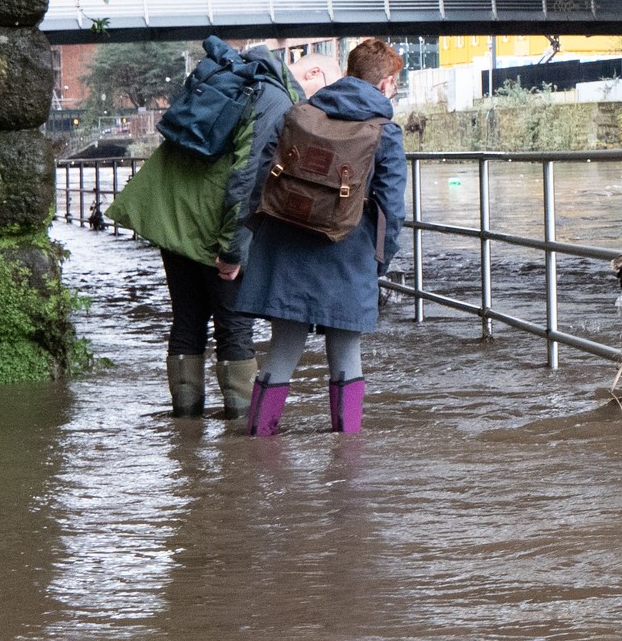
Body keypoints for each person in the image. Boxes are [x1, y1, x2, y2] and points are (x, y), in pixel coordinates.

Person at [108, 41, 306, 418]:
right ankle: (241, 442)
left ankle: (185, 431)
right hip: (210, 219)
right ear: (308, 76)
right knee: (234, 327)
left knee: (187, 317)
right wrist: (233, 251)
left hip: (169, 206)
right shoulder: (275, 100)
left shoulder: (229, 77)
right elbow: (248, 179)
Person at [236, 39, 407, 436]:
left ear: (349, 72)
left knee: (281, 349)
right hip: (348, 251)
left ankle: (259, 445)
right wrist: (379, 259)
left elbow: (259, 180)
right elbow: (392, 209)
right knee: (347, 353)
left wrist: (263, 239)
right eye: (394, 83)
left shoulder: (297, 115)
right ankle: (347, 457)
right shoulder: (384, 132)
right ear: (385, 84)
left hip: (284, 247)